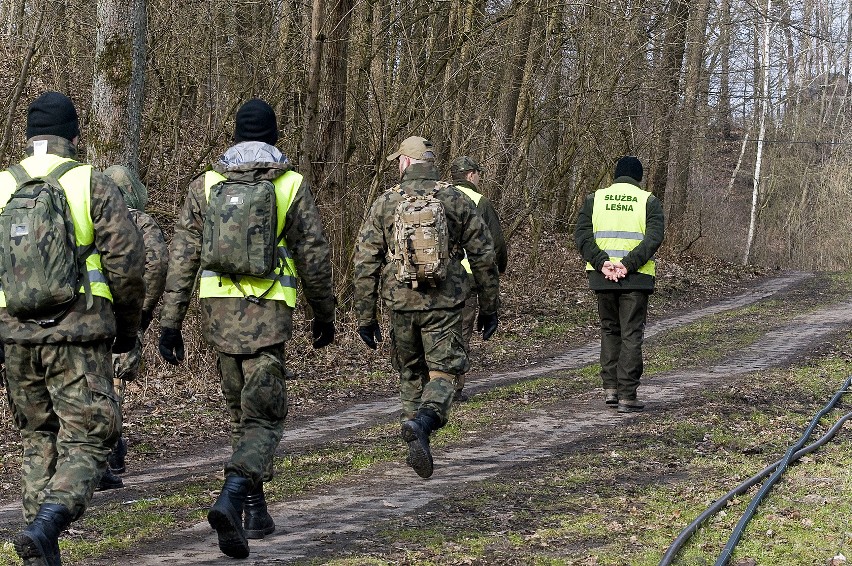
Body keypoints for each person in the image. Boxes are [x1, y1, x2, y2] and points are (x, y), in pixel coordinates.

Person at [157, 98, 336, 559]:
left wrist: (170, 323)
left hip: (217, 314)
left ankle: (255, 511)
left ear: (234, 136)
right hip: (269, 314)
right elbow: (313, 256)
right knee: (266, 417)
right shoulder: (289, 185)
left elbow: (182, 259)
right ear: (274, 138)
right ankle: (233, 496)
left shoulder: (206, 185)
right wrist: (325, 312)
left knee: (242, 413)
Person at [0, 91, 145, 566]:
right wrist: (127, 329)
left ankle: (40, 551)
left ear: (28, 136)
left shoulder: (3, 185)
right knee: (88, 438)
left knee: (37, 439)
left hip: (16, 338)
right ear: (74, 135)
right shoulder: (91, 183)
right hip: (77, 334)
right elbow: (126, 263)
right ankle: (46, 525)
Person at [353, 136, 500, 479]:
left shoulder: (386, 203)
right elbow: (484, 254)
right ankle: (423, 423)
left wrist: (365, 315)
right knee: (445, 372)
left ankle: (414, 439)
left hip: (400, 302)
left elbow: (365, 260)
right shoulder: (455, 198)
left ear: (405, 163)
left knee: (410, 371)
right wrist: (490, 306)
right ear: (431, 163)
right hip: (444, 301)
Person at [96, 165, 168, 490]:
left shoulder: (94, 218)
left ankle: (108, 451)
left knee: (99, 383)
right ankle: (111, 451)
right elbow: (157, 263)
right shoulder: (140, 221)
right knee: (114, 384)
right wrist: (142, 311)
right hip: (123, 313)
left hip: (91, 313)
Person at [574, 155, 664, 413]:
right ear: (639, 178)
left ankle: (610, 390)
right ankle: (627, 395)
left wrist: (603, 262)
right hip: (635, 278)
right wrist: (629, 264)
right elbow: (654, 237)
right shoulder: (648, 201)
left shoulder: (595, 199)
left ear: (615, 176)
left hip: (603, 277)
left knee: (610, 331)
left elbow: (582, 234)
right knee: (631, 334)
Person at [449, 156, 508, 402]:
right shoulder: (480, 202)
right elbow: (496, 244)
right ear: (471, 175)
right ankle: (455, 386)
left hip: (439, 275)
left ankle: (432, 384)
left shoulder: (438, 197)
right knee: (461, 332)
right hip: (470, 277)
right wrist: (498, 271)